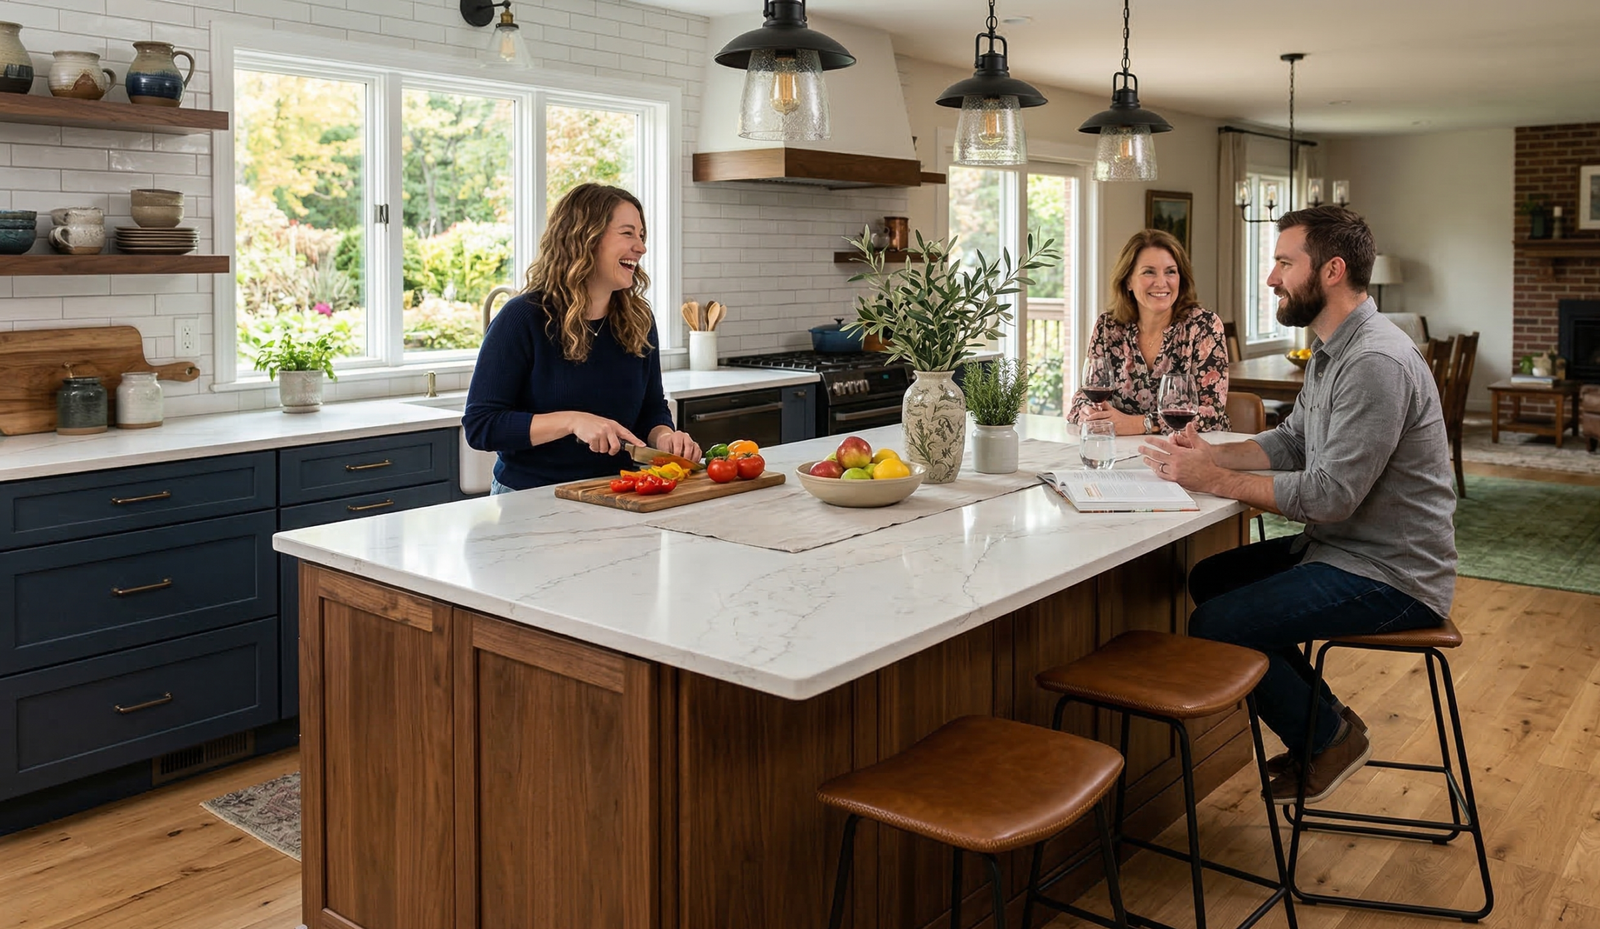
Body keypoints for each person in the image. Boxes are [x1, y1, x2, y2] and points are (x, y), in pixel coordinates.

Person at [1139, 206, 1456, 805]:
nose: (1271, 278)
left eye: (1285, 263)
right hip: (1344, 550)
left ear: (1332, 271)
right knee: (1212, 579)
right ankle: (1328, 725)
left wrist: (1213, 479)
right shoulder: (1333, 347)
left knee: (1219, 624)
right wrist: (1216, 455)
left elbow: (1331, 496)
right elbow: (1292, 441)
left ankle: (1326, 737)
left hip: (1396, 574)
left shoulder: (1374, 362)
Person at [463, 183, 700, 493]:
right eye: (627, 233)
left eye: (641, 236)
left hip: (618, 494)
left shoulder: (638, 319)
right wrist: (573, 421)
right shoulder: (523, 318)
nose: (641, 247)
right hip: (531, 500)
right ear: (584, 238)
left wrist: (664, 436)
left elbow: (651, 407)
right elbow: (482, 426)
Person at [1067, 229, 1230, 435]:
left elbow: (1212, 411)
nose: (1161, 282)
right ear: (1128, 281)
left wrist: (1139, 424)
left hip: (1193, 450)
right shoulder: (1108, 326)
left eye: (1170, 271)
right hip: (1122, 452)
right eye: (1149, 272)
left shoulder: (1203, 326)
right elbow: (1084, 395)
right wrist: (1088, 412)